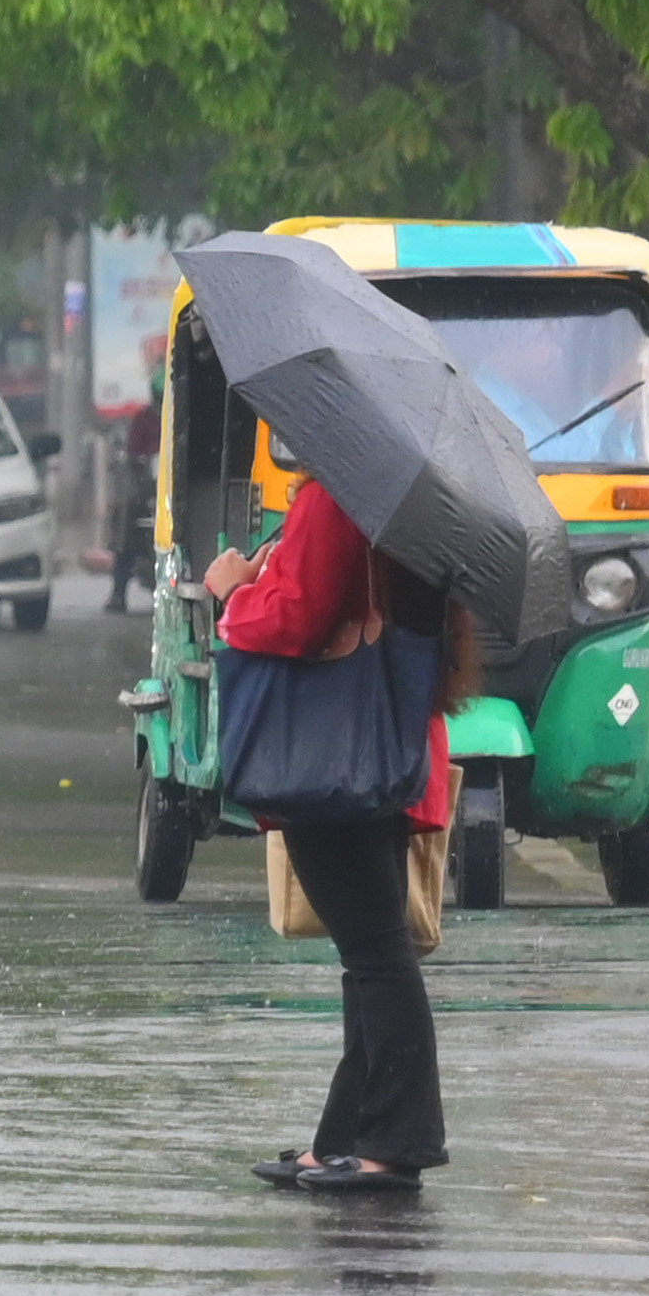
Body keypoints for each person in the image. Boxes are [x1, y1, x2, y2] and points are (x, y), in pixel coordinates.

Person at [204, 479, 476, 1193]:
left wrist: (232, 592)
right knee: (369, 952)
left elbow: (298, 613)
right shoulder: (411, 499)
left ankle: (394, 1143)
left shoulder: (337, 495)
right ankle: (345, 1138)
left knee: (376, 952)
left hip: (329, 758)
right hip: (380, 747)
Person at [106, 384, 162, 614]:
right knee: (125, 525)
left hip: (179, 486)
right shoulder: (144, 418)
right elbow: (133, 452)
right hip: (145, 487)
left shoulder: (186, 412)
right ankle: (118, 593)